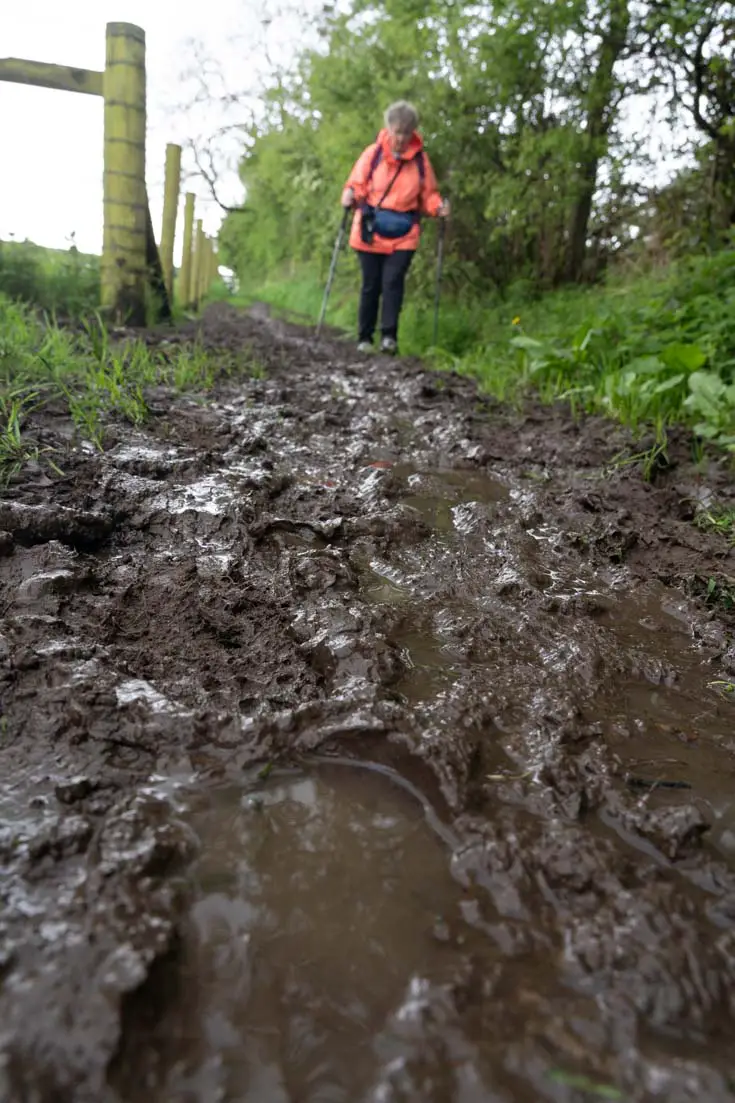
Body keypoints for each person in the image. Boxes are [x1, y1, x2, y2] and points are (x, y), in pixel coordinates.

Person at [341, 100, 450, 355]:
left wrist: (438, 208)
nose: (400, 138)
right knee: (371, 283)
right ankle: (365, 337)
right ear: (388, 128)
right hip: (370, 229)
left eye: (406, 132)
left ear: (413, 132)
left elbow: (429, 195)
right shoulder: (373, 154)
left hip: (405, 232)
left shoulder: (421, 161)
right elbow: (357, 184)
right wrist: (349, 195)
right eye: (397, 131)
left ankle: (389, 337)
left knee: (393, 282)